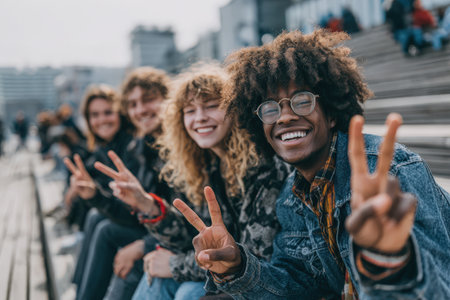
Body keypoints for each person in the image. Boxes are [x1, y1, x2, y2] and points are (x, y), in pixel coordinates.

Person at [173, 30, 450, 299]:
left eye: (301, 101)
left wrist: (389, 256)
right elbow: (296, 284)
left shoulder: (389, 172)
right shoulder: (291, 197)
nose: (284, 117)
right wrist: (237, 268)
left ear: (330, 113)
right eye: (270, 108)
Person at [96, 65, 289, 300]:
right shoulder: (206, 166)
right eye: (190, 110)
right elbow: (189, 239)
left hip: (264, 285)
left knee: (186, 291)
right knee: (156, 279)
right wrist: (146, 204)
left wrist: (174, 265)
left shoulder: (259, 166)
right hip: (225, 277)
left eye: (211, 106)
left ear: (236, 110)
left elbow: (252, 256)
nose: (200, 118)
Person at [63, 84, 136, 299]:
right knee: (96, 217)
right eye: (95, 115)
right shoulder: (103, 148)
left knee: (101, 224)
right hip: (125, 219)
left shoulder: (129, 146)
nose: (102, 119)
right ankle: (80, 292)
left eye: (108, 112)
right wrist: (74, 191)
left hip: (141, 224)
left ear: (120, 114)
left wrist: (92, 195)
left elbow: (130, 209)